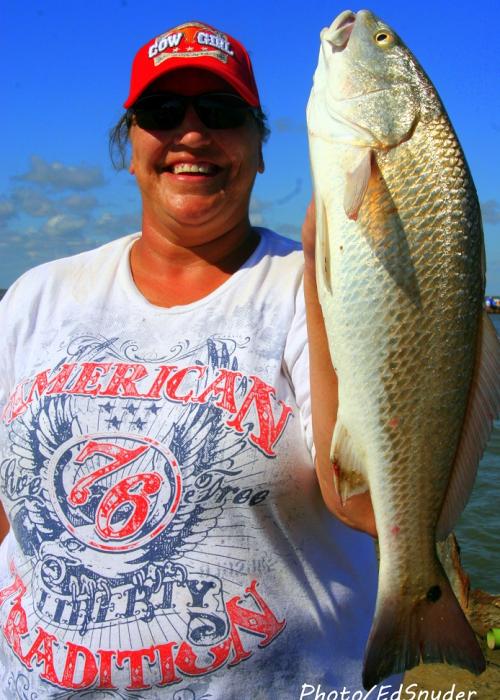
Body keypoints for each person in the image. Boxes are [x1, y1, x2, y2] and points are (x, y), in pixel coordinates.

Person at [0, 20, 387, 699]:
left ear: (262, 147)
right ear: (130, 146)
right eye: (160, 112)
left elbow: (365, 504)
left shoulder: (308, 287)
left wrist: (335, 272)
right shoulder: (35, 297)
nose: (190, 133)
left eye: (220, 112)